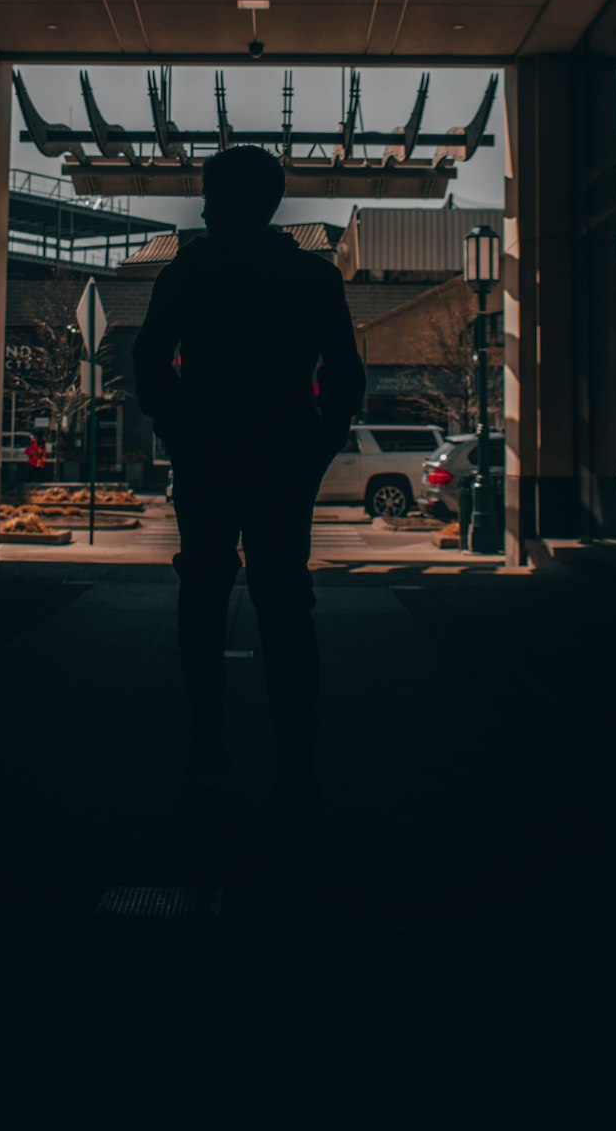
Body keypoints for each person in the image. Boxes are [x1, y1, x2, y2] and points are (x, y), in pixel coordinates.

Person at [132, 146, 366, 795]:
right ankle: (296, 743)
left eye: (209, 192)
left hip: (207, 454)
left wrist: (178, 428)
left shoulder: (189, 273)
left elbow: (150, 362)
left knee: (203, 593)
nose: (202, 205)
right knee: (286, 600)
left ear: (231, 199)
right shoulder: (314, 280)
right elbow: (345, 378)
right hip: (283, 458)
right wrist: (317, 450)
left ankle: (207, 736)